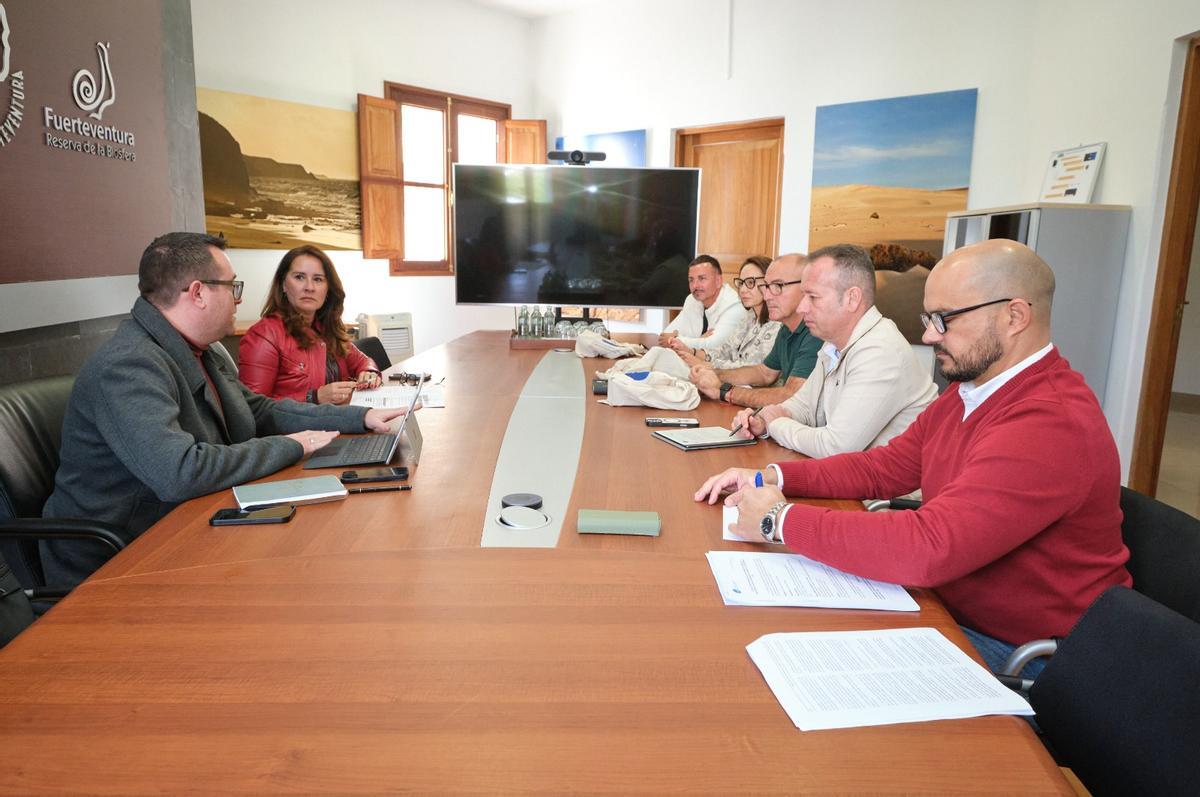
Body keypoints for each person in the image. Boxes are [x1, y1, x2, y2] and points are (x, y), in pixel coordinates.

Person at [695, 239, 1131, 675]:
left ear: (1014, 316)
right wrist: (771, 478)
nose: (928, 336)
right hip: (949, 602)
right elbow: (883, 468)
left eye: (944, 320)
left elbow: (930, 547)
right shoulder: (970, 391)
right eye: (928, 318)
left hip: (1021, 651)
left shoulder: (1050, 420)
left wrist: (780, 521)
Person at [42, 233, 410, 589]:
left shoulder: (203, 349)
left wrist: (358, 418)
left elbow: (258, 410)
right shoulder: (128, 365)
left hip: (184, 522)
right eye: (232, 287)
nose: (238, 301)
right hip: (121, 558)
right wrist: (294, 445)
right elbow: (179, 472)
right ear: (198, 293)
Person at [729, 244, 936, 457]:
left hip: (892, 490)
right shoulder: (833, 344)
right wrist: (762, 418)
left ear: (852, 299)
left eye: (813, 297)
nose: (802, 307)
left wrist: (775, 424)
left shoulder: (880, 351)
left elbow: (835, 447)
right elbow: (804, 407)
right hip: (856, 481)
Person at [239, 245, 381, 404]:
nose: (309, 287)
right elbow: (253, 408)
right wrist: (313, 397)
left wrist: (369, 372)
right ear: (284, 284)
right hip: (299, 428)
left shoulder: (325, 327)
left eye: (318, 279)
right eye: (299, 277)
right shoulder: (263, 335)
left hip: (339, 421)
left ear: (328, 289)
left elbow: (362, 361)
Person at [689, 253, 822, 408]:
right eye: (766, 286)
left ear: (806, 287)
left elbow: (790, 396)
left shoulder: (816, 332)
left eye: (778, 286)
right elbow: (764, 373)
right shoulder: (786, 328)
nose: (766, 295)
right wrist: (715, 375)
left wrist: (724, 391)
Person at [671, 255, 781, 370]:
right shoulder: (749, 317)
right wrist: (692, 351)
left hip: (750, 386)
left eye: (750, 282)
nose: (743, 290)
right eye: (741, 283)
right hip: (731, 381)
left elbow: (753, 370)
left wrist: (706, 366)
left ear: (769, 283)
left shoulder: (776, 324)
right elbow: (724, 351)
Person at [657, 255, 744, 352]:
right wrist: (700, 340)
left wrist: (679, 338)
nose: (695, 286)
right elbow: (664, 337)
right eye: (691, 280)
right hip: (694, 362)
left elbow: (714, 346)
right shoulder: (692, 300)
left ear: (718, 281)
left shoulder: (734, 306)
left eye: (701, 279)